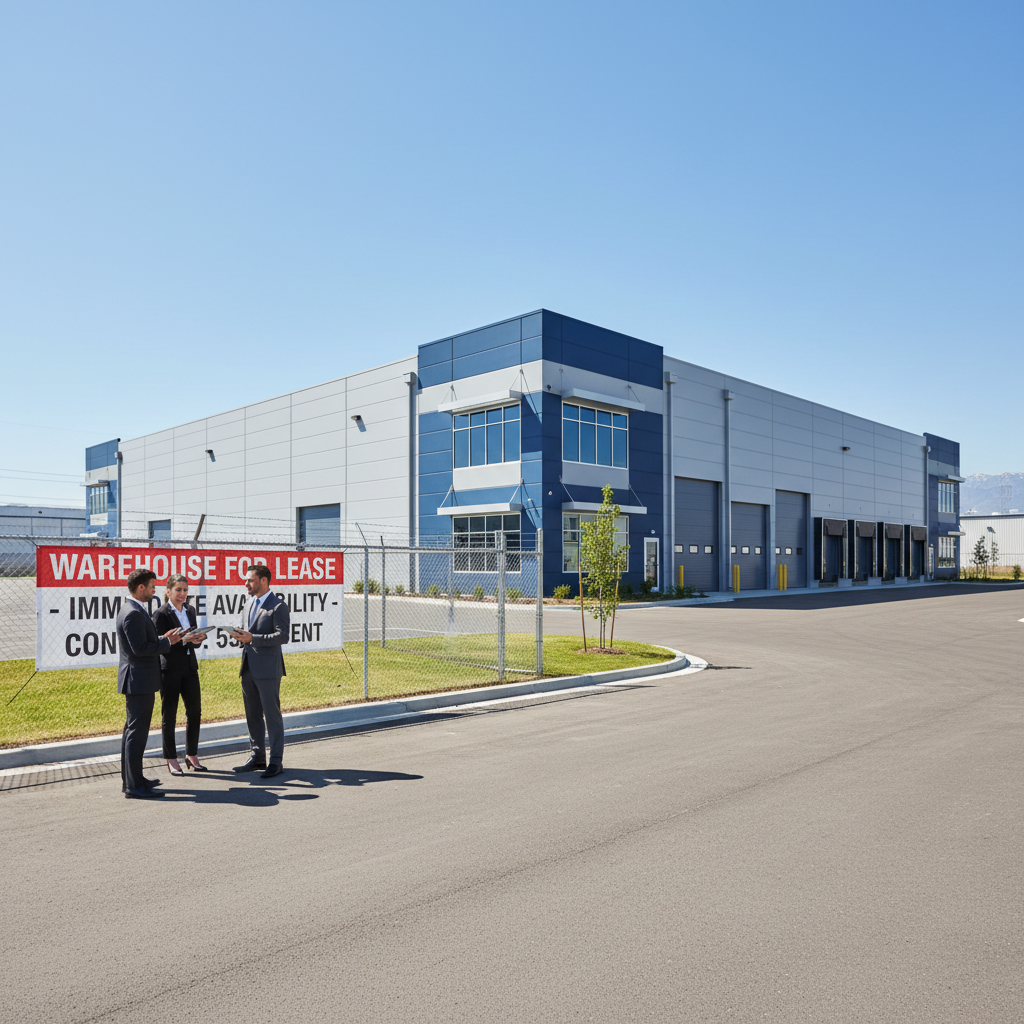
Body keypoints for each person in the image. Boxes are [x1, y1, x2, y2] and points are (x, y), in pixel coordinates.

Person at [116, 568, 184, 799]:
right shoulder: (133, 612)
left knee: (132, 732)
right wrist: (168, 643)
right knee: (136, 733)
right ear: (141, 587)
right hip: (138, 681)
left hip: (138, 680)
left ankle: (133, 779)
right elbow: (140, 649)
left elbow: (145, 642)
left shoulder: (134, 609)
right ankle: (134, 786)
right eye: (152, 586)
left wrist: (163, 639)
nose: (155, 591)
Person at [230, 564, 290, 778]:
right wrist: (240, 636)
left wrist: (252, 638)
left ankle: (275, 761)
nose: (246, 584)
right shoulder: (248, 604)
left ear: (263, 581)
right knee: (252, 715)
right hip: (248, 667)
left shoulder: (278, 606)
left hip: (268, 670)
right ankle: (257, 757)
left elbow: (283, 636)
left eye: (250, 580)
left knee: (272, 716)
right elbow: (249, 633)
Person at [152, 574, 207, 776]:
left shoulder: (190, 610)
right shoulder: (160, 614)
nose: (182, 594)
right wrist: (182, 640)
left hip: (190, 668)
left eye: (185, 590)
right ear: (168, 592)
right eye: (178, 590)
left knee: (195, 712)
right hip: (170, 670)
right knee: (170, 716)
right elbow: (159, 646)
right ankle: (171, 758)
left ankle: (191, 754)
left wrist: (197, 639)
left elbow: (194, 641)